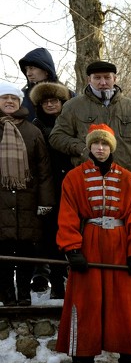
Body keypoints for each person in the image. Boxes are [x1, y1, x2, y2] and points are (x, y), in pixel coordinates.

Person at [55, 124, 131, 363]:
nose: (100, 148)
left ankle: (130, 355)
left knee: (125, 298)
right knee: (86, 298)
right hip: (89, 242)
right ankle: (83, 356)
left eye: (104, 144)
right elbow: (67, 214)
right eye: (96, 144)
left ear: (111, 147)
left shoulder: (127, 178)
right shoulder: (74, 177)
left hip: (120, 244)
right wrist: (72, 248)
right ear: (89, 146)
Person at [49, 61, 131, 202]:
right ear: (88, 79)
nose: (102, 82)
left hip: (124, 181)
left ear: (114, 79)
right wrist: (83, 149)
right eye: (97, 78)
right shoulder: (73, 106)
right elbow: (56, 137)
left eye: (107, 77)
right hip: (88, 181)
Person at [0, 81, 53, 305]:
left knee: (25, 254)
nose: (10, 102)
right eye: (5, 98)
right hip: (1, 204)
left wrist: (45, 202)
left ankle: (24, 295)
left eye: (14, 99)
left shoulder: (33, 131)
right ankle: (6, 296)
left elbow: (44, 171)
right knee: (2, 254)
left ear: (20, 103)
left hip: (28, 203)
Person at [28, 80, 73, 299]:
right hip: (48, 188)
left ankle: (72, 281)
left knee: (74, 235)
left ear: (62, 102)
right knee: (52, 238)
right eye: (46, 101)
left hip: (72, 187)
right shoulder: (35, 126)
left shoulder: (70, 124)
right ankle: (56, 284)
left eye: (54, 100)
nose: (50, 104)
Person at [19, 47, 68, 118]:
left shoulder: (68, 95)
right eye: (26, 69)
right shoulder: (21, 97)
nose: (28, 73)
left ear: (46, 70)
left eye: (32, 68)